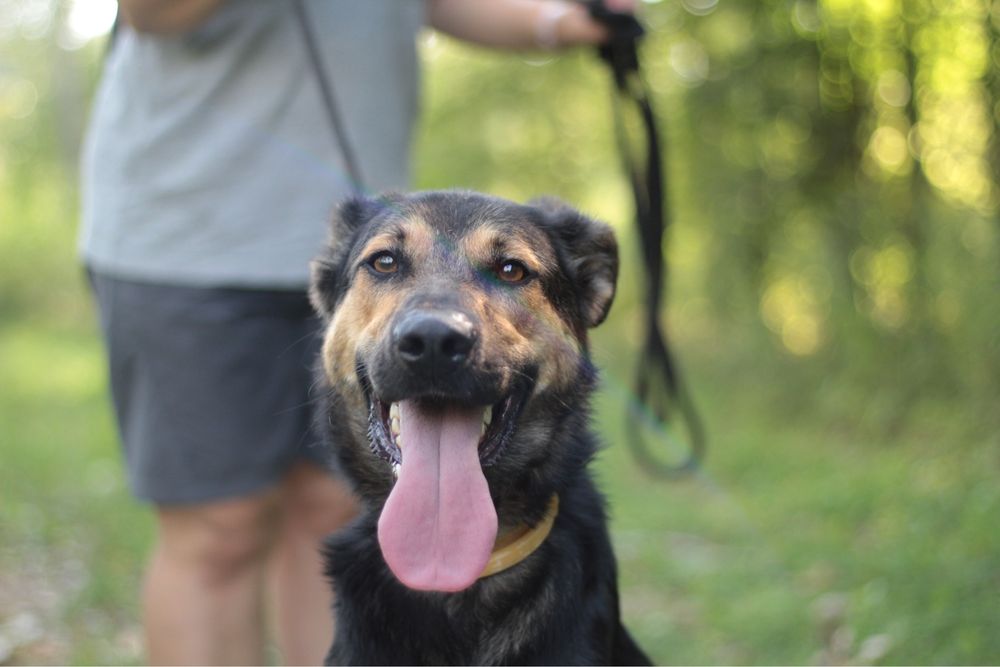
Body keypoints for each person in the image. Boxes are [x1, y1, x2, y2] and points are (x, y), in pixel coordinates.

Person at [80, 0, 632, 663]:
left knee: (330, 508)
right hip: (190, 227)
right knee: (217, 527)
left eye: (509, 269)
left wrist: (554, 20)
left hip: (360, 209)